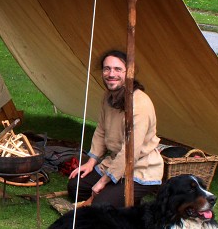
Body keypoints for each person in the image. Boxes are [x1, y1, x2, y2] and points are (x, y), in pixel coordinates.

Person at [67, 50, 163, 207]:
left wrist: (103, 182)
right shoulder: (108, 96)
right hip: (114, 162)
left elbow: (130, 153)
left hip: (139, 167)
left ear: (129, 72)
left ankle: (126, 198)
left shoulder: (139, 104)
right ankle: (120, 196)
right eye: (107, 69)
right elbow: (101, 130)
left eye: (118, 69)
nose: (111, 74)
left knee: (100, 205)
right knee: (75, 187)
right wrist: (91, 162)